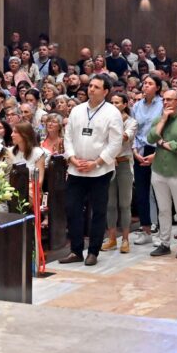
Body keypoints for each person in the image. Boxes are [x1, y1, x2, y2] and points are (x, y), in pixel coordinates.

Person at [59, 75, 123, 267]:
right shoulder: (77, 110)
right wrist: (71, 157)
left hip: (99, 171)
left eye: (96, 87)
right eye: (90, 86)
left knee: (98, 211)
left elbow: (115, 143)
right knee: (72, 209)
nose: (91, 89)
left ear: (105, 91)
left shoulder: (112, 112)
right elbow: (68, 137)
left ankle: (93, 251)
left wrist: (96, 163)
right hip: (76, 168)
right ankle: (76, 250)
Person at [147, 89, 177, 259]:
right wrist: (163, 120)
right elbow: (150, 139)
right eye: (164, 100)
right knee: (163, 209)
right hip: (159, 170)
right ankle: (164, 243)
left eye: (170, 99)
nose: (166, 102)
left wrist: (166, 144)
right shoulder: (158, 120)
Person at [130, 74, 164, 246]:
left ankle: (161, 229)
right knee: (142, 191)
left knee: (158, 190)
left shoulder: (163, 105)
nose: (146, 86)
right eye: (144, 83)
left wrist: (157, 152)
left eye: (150, 83)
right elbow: (133, 128)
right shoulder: (137, 106)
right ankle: (146, 229)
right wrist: (134, 150)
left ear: (157, 87)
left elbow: (165, 129)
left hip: (157, 149)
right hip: (139, 149)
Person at [102, 92, 137, 254]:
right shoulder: (106, 120)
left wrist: (110, 128)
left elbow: (123, 137)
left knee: (124, 204)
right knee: (110, 204)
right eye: (112, 102)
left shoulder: (131, 122)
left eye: (117, 103)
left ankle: (125, 239)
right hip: (109, 163)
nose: (114, 105)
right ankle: (111, 238)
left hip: (123, 163)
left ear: (125, 104)